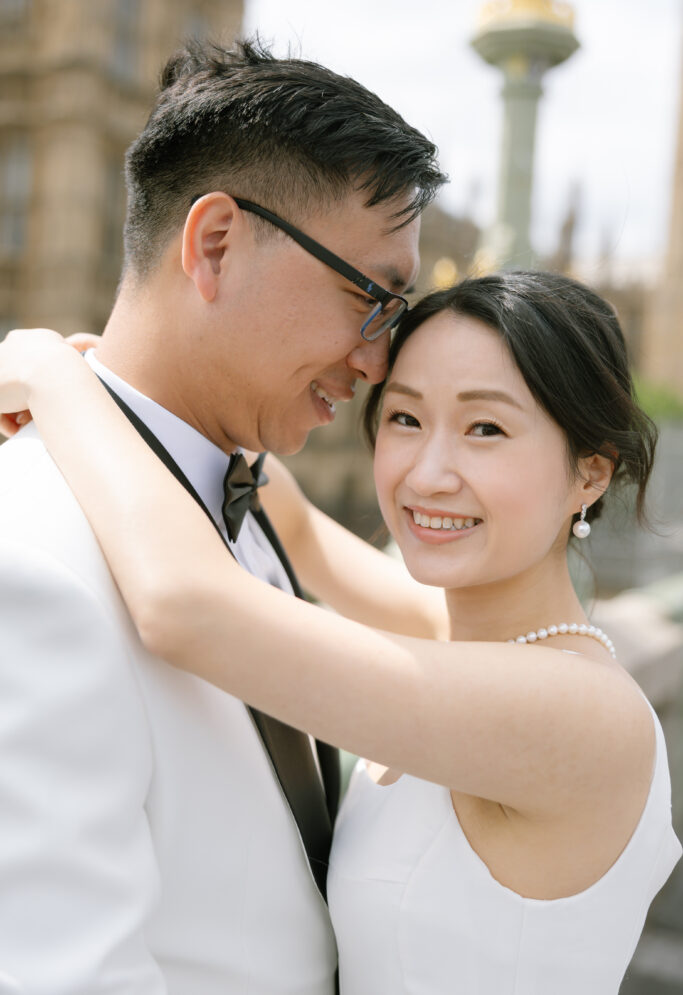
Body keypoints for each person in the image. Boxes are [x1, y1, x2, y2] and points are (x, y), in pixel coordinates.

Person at [1, 270, 680, 994]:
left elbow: (189, 607)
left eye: (486, 428)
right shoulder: (470, 639)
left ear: (590, 473)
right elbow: (288, 521)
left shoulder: (579, 718)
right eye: (405, 418)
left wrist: (53, 379)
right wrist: (127, 379)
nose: (427, 474)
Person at [0, 37, 448, 994]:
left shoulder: (247, 501)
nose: (378, 364)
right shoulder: (32, 558)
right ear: (214, 246)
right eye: (373, 298)